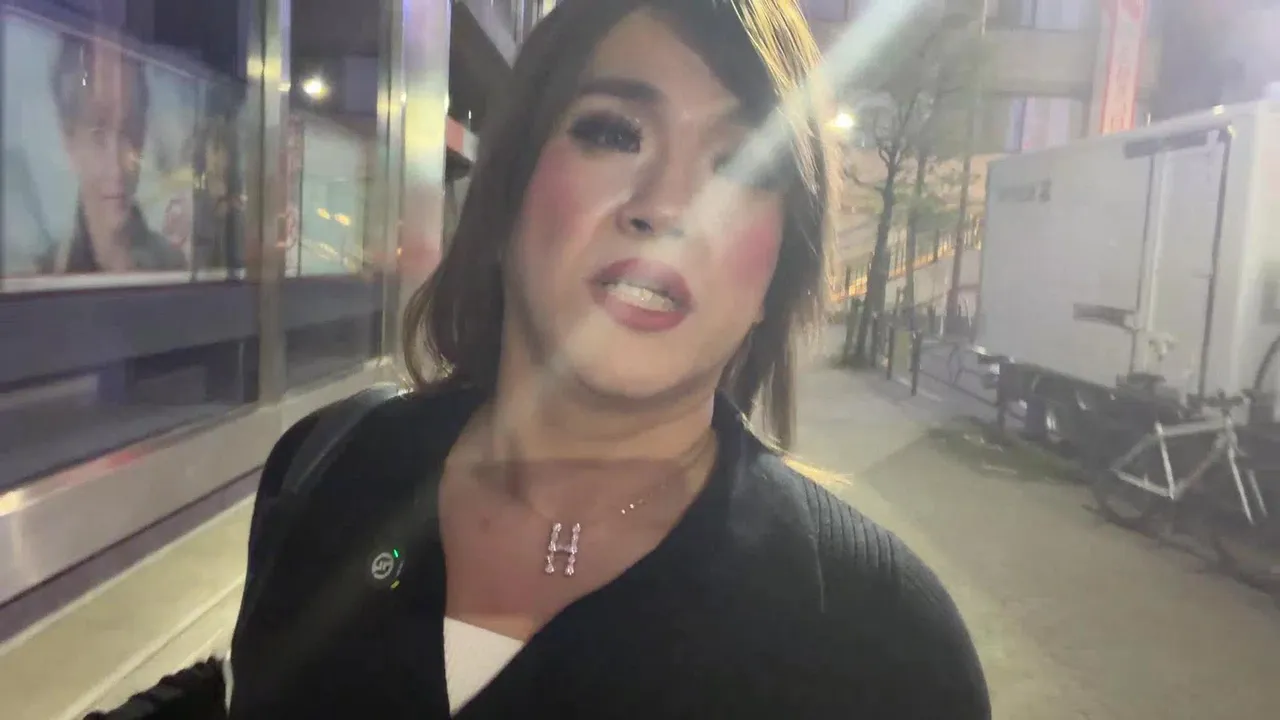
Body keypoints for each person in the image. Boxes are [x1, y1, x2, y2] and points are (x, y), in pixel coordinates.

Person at [229, 1, 990, 717]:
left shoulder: (885, 645)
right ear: (509, 193)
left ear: (777, 273)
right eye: (615, 133)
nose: (668, 206)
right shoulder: (326, 470)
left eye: (745, 168)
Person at [40, 34, 185, 274]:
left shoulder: (174, 268)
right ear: (69, 141)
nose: (117, 168)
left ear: (143, 133)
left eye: (129, 131)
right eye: (98, 135)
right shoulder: (45, 278)